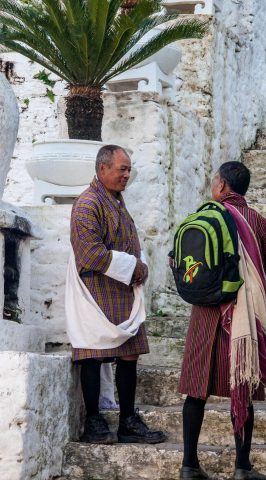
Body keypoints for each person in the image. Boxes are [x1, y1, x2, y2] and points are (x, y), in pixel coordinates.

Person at [177, 161, 266, 480]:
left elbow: (179, 258)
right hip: (244, 316)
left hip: (205, 312)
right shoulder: (259, 223)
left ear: (222, 186)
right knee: (243, 385)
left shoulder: (203, 215)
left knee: (195, 389)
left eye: (214, 181)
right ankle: (242, 467)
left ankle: (189, 465)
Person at [66, 144, 166, 445]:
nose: (127, 174)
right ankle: (94, 422)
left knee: (130, 353)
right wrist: (134, 266)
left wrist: (139, 264)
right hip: (95, 291)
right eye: (122, 168)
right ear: (102, 169)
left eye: (129, 169)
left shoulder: (115, 200)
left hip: (123, 289)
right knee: (93, 353)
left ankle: (127, 422)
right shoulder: (87, 204)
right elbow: (91, 254)